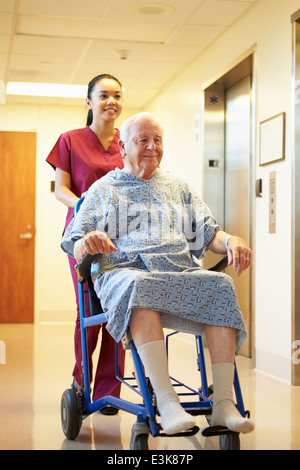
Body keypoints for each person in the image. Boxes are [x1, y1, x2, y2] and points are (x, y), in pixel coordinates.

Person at [61, 112, 255, 435]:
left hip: (178, 271)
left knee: (221, 284)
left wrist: (232, 240)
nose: (152, 147)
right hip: (125, 272)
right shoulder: (103, 190)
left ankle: (223, 403)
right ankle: (166, 401)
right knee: (140, 285)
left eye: (158, 141)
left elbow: (210, 234)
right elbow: (72, 241)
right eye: (143, 141)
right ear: (122, 147)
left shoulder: (178, 187)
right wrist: (87, 242)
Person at [46, 74, 126, 413]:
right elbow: (59, 189)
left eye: (117, 95)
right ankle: (82, 381)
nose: (111, 101)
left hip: (122, 237)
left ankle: (110, 389)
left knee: (119, 308)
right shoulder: (69, 140)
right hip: (81, 235)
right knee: (90, 310)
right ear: (89, 102)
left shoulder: (129, 141)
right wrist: (84, 204)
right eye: (103, 95)